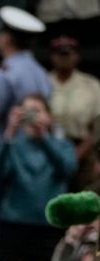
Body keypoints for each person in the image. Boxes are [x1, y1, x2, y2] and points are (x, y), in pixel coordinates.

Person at [0, 95, 77, 261]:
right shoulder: (13, 145)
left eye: (37, 110)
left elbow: (68, 169)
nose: (31, 116)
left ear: (49, 116)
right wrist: (9, 132)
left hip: (49, 226)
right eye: (26, 111)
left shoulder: (62, 145)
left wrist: (44, 138)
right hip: (15, 225)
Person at [0, 7, 51, 137]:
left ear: (7, 39)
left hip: (9, 150)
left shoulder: (4, 72)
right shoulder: (42, 73)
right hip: (38, 149)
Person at [48, 36, 100, 191]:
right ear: (52, 56)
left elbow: (96, 125)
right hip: (49, 148)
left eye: (68, 54)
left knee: (82, 196)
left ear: (77, 56)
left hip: (82, 148)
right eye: (60, 54)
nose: (64, 58)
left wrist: (78, 153)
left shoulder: (91, 85)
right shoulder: (43, 82)